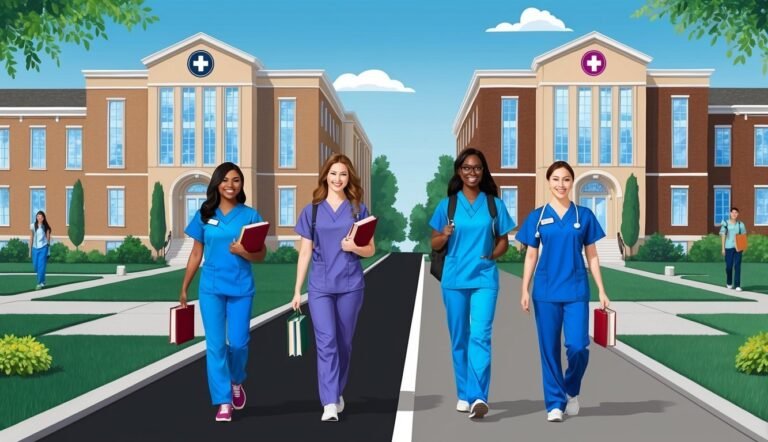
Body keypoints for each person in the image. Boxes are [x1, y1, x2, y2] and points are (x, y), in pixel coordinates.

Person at [516, 161, 610, 422]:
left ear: (572, 182)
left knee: (578, 346)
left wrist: (601, 289)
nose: (561, 184)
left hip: (576, 291)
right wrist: (524, 288)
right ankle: (555, 404)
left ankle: (571, 389)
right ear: (549, 182)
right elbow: (531, 255)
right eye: (556, 179)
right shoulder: (537, 216)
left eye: (566, 179)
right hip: (545, 292)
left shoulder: (584, 216)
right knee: (548, 349)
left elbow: (592, 256)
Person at [428, 148, 515, 419]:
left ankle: (479, 397)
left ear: (483, 171)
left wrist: (492, 254)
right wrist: (444, 234)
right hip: (454, 279)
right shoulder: (448, 205)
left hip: (484, 278)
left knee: (480, 335)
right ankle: (464, 393)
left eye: (477, 168)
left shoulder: (494, 205)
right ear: (459, 171)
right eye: (467, 167)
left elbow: (504, 241)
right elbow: (434, 243)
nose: (472, 172)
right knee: (460, 339)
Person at [179, 162, 267, 422]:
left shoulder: (250, 215)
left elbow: (261, 254)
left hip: (241, 288)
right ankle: (223, 401)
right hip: (211, 289)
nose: (231, 185)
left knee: (239, 344)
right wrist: (184, 286)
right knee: (216, 346)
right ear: (217, 183)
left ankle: (236, 380)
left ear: (241, 185)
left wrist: (244, 252)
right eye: (226, 180)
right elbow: (197, 253)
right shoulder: (204, 214)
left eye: (236, 180)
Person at [292, 153, 375, 422]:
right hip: (320, 287)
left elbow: (370, 249)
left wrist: (354, 247)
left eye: (343, 174)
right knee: (326, 342)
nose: (338, 179)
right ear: (325, 175)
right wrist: (297, 290)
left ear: (348, 178)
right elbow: (304, 253)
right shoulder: (312, 210)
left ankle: (337, 391)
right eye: (333, 173)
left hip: (351, 285)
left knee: (344, 342)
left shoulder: (357, 210)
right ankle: (328, 402)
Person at [720, 207, 746, 291]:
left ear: (738, 214)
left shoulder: (740, 224)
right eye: (733, 212)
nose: (734, 214)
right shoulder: (725, 223)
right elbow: (723, 235)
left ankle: (737, 285)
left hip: (738, 248)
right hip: (728, 247)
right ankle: (729, 282)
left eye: (736, 213)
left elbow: (743, 236)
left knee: (737, 266)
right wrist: (723, 248)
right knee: (729, 266)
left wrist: (743, 247)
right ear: (730, 213)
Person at [29, 210, 52, 290]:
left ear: (43, 218)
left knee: (41, 266)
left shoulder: (46, 227)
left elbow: (48, 240)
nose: (39, 218)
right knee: (36, 266)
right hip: (35, 248)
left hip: (43, 248)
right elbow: (31, 238)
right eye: (38, 216)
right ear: (36, 217)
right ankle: (43, 280)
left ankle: (39, 283)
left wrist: (48, 251)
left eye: (41, 217)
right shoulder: (32, 226)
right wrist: (30, 250)